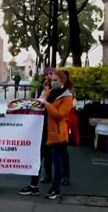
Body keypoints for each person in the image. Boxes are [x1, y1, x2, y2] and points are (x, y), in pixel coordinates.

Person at [19, 70, 74, 199]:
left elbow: (59, 114)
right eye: (51, 80)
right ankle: (33, 186)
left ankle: (55, 189)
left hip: (57, 135)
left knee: (57, 162)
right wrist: (44, 95)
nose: (52, 82)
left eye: (55, 80)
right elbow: (39, 104)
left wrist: (47, 104)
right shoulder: (50, 92)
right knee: (36, 159)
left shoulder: (67, 97)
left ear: (63, 82)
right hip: (43, 132)